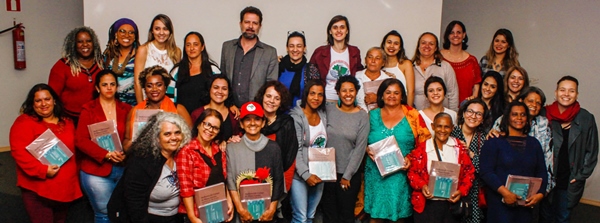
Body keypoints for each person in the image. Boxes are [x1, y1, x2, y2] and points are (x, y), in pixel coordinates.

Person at [9, 84, 82, 223]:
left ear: (54, 100)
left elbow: (75, 151)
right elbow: (19, 153)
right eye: (38, 100)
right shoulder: (24, 122)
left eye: (47, 99)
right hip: (38, 189)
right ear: (32, 103)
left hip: (65, 189)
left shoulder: (67, 122)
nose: (43, 104)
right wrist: (42, 170)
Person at [364, 78, 431, 222]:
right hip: (376, 172)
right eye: (388, 92)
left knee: (399, 216)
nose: (392, 96)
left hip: (401, 173)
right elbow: (360, 139)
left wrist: (411, 158)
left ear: (402, 96)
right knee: (375, 216)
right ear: (381, 95)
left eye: (396, 93)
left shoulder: (413, 115)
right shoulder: (372, 115)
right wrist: (365, 148)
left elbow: (425, 143)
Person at [108, 112, 191, 223]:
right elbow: (134, 203)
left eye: (177, 133)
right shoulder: (142, 162)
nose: (174, 138)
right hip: (149, 218)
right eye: (167, 134)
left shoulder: (181, 155)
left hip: (175, 217)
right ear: (156, 138)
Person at [75, 70, 132, 223]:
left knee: (123, 211)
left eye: (112, 84)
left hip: (123, 167)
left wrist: (127, 153)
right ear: (98, 88)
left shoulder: (126, 109)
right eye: (104, 85)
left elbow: (131, 137)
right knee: (104, 213)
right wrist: (105, 154)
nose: (109, 88)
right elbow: (80, 140)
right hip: (96, 171)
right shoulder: (88, 109)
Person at [479, 101, 548, 223]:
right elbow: (486, 172)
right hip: (499, 205)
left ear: (527, 118)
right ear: (507, 118)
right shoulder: (494, 142)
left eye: (523, 115)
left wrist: (540, 194)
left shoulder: (534, 144)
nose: (519, 118)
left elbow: (542, 171)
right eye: (514, 114)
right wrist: (505, 193)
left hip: (525, 206)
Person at [542, 76, 598, 223]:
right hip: (546, 177)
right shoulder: (544, 114)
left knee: (563, 217)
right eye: (562, 90)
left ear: (577, 94)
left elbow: (592, 152)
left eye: (571, 91)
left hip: (569, 179)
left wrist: (580, 176)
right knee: (544, 216)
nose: (566, 94)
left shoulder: (586, 118)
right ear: (555, 92)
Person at [408, 113, 475, 223]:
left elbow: (469, 173)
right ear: (433, 126)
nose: (442, 130)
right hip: (427, 205)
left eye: (447, 127)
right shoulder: (422, 148)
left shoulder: (459, 148)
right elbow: (412, 173)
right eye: (439, 126)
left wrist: (461, 191)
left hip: (451, 205)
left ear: (452, 128)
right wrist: (422, 186)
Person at [320, 75, 369, 223]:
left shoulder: (362, 116)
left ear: (356, 92)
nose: (348, 94)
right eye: (344, 90)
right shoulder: (328, 110)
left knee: (346, 216)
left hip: (348, 175)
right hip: (327, 172)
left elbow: (360, 149)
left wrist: (347, 176)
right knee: (329, 215)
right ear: (338, 92)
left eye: (351, 90)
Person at [226, 102, 284, 223]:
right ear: (241, 124)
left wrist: (272, 209)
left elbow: (279, 180)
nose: (252, 123)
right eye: (247, 119)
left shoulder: (273, 147)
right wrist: (240, 210)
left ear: (263, 123)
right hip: (241, 212)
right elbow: (230, 181)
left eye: (257, 119)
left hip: (266, 213)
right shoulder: (232, 148)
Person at [176, 108, 234, 223]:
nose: (210, 130)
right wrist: (192, 217)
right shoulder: (187, 151)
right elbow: (186, 189)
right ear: (198, 125)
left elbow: (223, 181)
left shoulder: (219, 151)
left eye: (215, 128)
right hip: (197, 215)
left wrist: (229, 202)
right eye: (207, 124)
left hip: (218, 211)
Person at [123, 65, 192, 150]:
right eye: (149, 86)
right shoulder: (135, 111)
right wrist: (131, 145)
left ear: (165, 87)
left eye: (159, 85)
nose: (154, 89)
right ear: (144, 89)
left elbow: (190, 139)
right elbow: (126, 141)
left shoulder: (179, 109)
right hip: (140, 158)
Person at [221, 6, 278, 107]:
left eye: (255, 23)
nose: (250, 26)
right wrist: (229, 105)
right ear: (240, 24)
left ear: (260, 26)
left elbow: (270, 86)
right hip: (229, 109)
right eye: (247, 22)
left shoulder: (270, 52)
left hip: (256, 111)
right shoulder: (227, 47)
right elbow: (223, 79)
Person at [289, 80, 327, 223]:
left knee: (311, 216)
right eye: (312, 93)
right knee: (301, 217)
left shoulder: (323, 114)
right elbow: (296, 150)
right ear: (305, 94)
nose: (316, 98)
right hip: (300, 175)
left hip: (320, 173)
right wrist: (306, 174)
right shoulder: (296, 117)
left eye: (320, 94)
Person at [48, 26, 103, 124]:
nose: (85, 44)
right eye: (80, 41)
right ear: (74, 44)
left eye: (88, 41)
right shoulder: (62, 66)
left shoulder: (101, 64)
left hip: (96, 118)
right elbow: (52, 97)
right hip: (69, 120)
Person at [450, 98, 489, 223]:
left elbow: (485, 169)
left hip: (473, 194)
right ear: (463, 113)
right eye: (470, 111)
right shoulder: (450, 132)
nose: (473, 116)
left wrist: (471, 154)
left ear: (483, 119)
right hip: (451, 190)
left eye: (478, 114)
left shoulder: (483, 138)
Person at [310, 15, 363, 103]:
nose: (338, 30)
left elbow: (361, 74)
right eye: (335, 27)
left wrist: (382, 72)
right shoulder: (320, 52)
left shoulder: (354, 52)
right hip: (325, 101)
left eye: (342, 27)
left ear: (347, 31)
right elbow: (310, 75)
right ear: (330, 31)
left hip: (347, 102)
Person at [134, 14, 181, 103]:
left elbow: (175, 82)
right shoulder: (144, 50)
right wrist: (141, 107)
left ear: (170, 31)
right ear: (152, 31)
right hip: (147, 102)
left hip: (169, 102)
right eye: (157, 29)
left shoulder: (176, 52)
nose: (161, 33)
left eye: (165, 29)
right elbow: (137, 83)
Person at [173, 31, 221, 114]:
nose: (192, 48)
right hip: (181, 120)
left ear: (202, 47)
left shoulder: (213, 70)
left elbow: (221, 94)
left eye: (195, 44)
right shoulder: (176, 71)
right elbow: (170, 98)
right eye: (188, 45)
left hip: (206, 120)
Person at [412, 32, 459, 111]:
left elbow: (453, 94)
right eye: (423, 43)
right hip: (415, 117)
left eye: (431, 44)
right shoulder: (410, 67)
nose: (427, 46)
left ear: (436, 48)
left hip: (441, 118)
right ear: (418, 46)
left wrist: (452, 116)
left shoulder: (445, 67)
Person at [190, 74, 241, 143]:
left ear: (229, 92)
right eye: (216, 87)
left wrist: (231, 141)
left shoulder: (234, 115)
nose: (220, 91)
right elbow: (192, 140)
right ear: (209, 89)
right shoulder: (197, 114)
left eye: (224, 89)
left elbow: (239, 138)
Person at [441, 21, 481, 103]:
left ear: (464, 35)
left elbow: (476, 87)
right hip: (442, 106)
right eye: (452, 32)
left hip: (465, 108)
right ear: (448, 36)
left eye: (458, 32)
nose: (455, 35)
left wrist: (472, 102)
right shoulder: (439, 56)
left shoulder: (472, 60)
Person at [103, 18, 140, 106]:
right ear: (116, 34)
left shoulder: (140, 54)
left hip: (134, 105)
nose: (127, 35)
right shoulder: (108, 55)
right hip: (112, 106)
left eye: (131, 32)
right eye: (122, 31)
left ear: (135, 36)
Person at [279, 31, 320, 108]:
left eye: (299, 46)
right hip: (280, 116)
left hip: (302, 116)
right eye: (291, 46)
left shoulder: (311, 70)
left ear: (304, 48)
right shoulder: (278, 67)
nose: (295, 49)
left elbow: (316, 96)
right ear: (287, 48)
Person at [380, 30, 415, 105]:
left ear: (400, 48)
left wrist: (408, 112)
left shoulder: (406, 64)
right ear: (383, 45)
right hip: (383, 108)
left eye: (396, 43)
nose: (392, 46)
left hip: (402, 107)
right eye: (389, 42)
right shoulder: (378, 65)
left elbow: (410, 92)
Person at [355, 47, 395, 112]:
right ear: (365, 60)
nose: (373, 61)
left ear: (383, 63)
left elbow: (395, 103)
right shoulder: (356, 77)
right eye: (370, 57)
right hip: (359, 117)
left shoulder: (389, 81)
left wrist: (378, 99)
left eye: (377, 58)